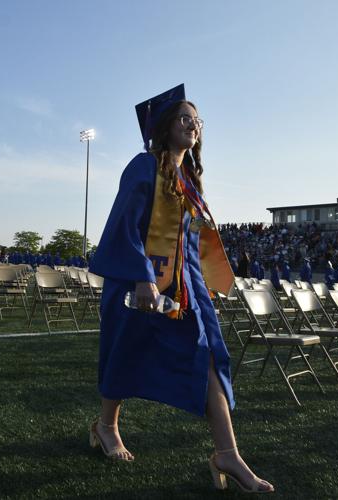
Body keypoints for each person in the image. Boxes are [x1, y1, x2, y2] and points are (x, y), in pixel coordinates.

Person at [88, 85, 272, 493]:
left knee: (207, 356)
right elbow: (125, 224)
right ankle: (106, 426)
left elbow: (193, 242)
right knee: (124, 351)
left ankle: (228, 452)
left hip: (186, 289)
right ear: (167, 125)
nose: (194, 125)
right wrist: (141, 276)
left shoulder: (189, 180)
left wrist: (208, 287)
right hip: (140, 282)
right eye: (185, 118)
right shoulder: (143, 166)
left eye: (198, 120)